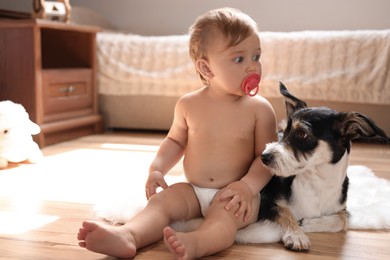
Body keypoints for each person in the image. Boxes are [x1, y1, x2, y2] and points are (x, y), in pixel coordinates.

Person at [77, 7, 277, 259]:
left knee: (223, 221)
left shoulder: (260, 109)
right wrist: (157, 168)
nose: (252, 67)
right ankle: (129, 235)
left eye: (256, 56)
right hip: (193, 189)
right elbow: (174, 140)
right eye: (239, 59)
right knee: (160, 204)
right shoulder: (188, 105)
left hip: (233, 193)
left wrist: (247, 188)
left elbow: (267, 158)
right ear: (206, 68)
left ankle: (198, 243)